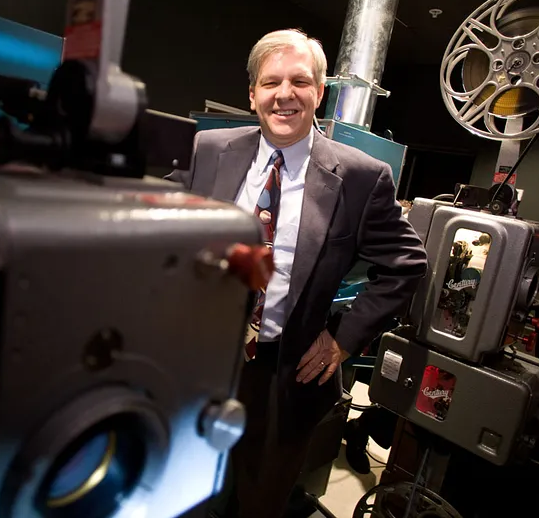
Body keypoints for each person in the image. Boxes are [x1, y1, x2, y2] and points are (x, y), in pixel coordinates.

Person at [167, 29, 427, 517]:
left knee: (257, 501)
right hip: (197, 360)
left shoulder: (361, 177)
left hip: (282, 376)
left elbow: (406, 264)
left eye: (299, 81)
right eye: (270, 82)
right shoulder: (209, 149)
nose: (284, 95)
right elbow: (159, 222)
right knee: (183, 489)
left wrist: (342, 339)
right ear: (252, 94)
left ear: (319, 91)